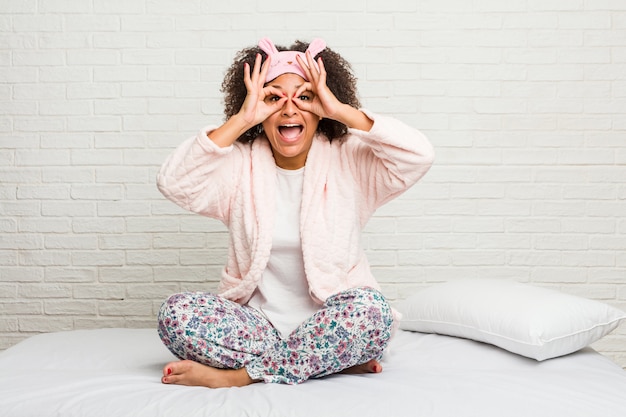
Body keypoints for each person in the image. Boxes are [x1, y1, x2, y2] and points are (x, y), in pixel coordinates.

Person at [156, 37, 434, 388]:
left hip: (335, 317)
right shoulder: (239, 165)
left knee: (371, 311)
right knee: (175, 314)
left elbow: (419, 155)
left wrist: (341, 111)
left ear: (321, 105)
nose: (289, 110)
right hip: (259, 325)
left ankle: (241, 376)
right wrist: (241, 120)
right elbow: (174, 182)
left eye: (305, 97)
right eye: (273, 98)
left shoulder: (349, 158)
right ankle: (326, 360)